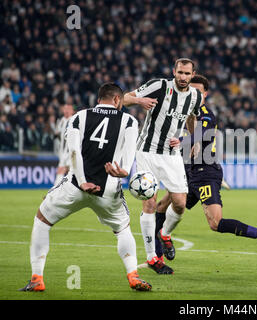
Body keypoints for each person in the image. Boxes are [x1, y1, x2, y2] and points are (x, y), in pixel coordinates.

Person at [20, 83, 151, 292]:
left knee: (42, 220)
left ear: (99, 99)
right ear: (118, 100)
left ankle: (37, 278)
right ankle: (133, 275)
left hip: (75, 187)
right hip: (108, 189)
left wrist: (82, 181)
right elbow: (127, 159)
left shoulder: (79, 117)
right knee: (122, 229)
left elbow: (74, 153)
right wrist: (123, 171)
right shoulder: (129, 121)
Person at [153, 75, 257, 270]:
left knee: (216, 223)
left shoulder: (206, 114)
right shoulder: (183, 112)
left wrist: (181, 141)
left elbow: (199, 135)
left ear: (205, 94)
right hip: (189, 171)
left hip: (205, 173)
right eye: (191, 90)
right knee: (162, 205)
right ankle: (158, 254)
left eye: (198, 92)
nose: (194, 94)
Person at [123, 58, 203, 274]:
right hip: (147, 152)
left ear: (193, 74)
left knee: (180, 203)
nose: (183, 77)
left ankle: (165, 233)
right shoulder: (159, 86)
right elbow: (123, 98)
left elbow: (192, 118)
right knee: (150, 203)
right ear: (174, 72)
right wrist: (140, 102)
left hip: (171, 155)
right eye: (180, 73)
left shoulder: (196, 96)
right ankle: (152, 258)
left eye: (187, 74)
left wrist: (193, 139)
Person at [54, 104, 75, 186]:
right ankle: (58, 188)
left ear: (72, 111)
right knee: (64, 170)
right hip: (62, 151)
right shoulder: (61, 121)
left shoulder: (73, 120)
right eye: (65, 109)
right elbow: (58, 134)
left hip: (70, 151)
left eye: (68, 109)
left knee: (66, 170)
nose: (66, 111)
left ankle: (56, 188)